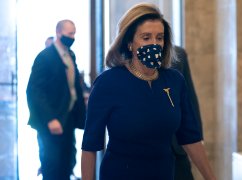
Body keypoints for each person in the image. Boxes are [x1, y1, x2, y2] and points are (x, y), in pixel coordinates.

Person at [81, 3, 216, 180]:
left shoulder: (174, 80)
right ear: (129, 43)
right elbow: (90, 145)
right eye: (146, 38)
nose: (154, 44)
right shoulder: (108, 82)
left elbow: (190, 137)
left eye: (159, 38)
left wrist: (211, 178)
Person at [26, 19, 86, 180]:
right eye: (70, 33)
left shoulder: (70, 55)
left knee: (67, 161)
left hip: (68, 119)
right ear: (59, 33)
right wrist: (50, 119)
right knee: (52, 165)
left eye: (74, 33)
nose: (73, 37)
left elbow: (74, 87)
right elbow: (34, 91)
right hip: (51, 121)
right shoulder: (45, 57)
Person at [171, 45, 203, 180]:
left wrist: (197, 138)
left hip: (177, 151)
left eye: (160, 37)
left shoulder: (178, 55)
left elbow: (190, 101)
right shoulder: (121, 63)